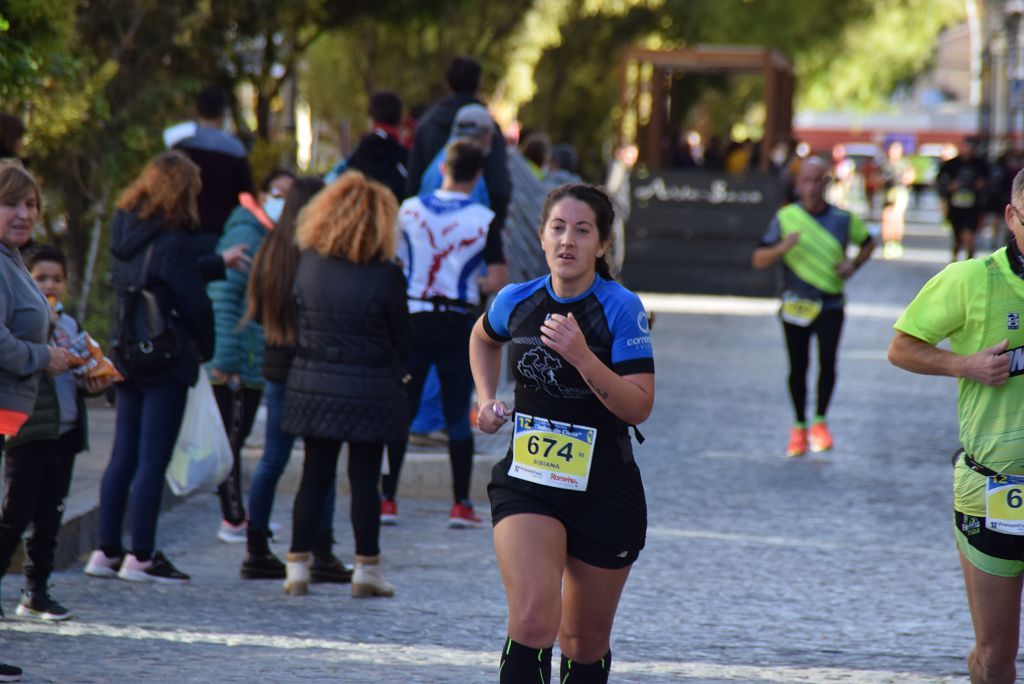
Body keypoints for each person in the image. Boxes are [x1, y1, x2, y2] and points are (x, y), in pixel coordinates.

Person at [470, 183, 654, 683]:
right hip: (529, 482)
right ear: (542, 236)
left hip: (605, 490)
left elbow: (639, 407)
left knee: (583, 642)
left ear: (602, 244)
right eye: (558, 228)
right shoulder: (518, 299)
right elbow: (482, 336)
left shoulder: (620, 307)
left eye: (582, 230)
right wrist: (485, 398)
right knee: (533, 619)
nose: (567, 240)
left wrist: (581, 355)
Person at [887, 168, 1024, 684]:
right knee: (996, 656)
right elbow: (901, 347)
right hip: (993, 486)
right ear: (1011, 218)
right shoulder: (970, 280)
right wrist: (964, 365)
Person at [85, 150, 214, 583]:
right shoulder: (175, 239)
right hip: (164, 357)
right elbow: (191, 299)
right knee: (151, 460)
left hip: (127, 352)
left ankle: (105, 552)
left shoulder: (125, 230)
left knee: (122, 455)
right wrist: (206, 346)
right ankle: (141, 555)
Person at [280, 171, 409, 598]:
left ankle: (297, 566)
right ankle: (365, 569)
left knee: (313, 474)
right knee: (365, 478)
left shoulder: (308, 265)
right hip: (370, 388)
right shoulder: (387, 275)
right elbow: (399, 336)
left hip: (312, 383)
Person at [383, 140, 502, 528]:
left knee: (402, 410)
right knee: (455, 411)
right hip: (457, 322)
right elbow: (496, 279)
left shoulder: (408, 210)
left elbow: (393, 262)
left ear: (442, 169)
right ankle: (461, 505)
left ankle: (387, 500)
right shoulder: (485, 218)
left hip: (412, 317)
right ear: (478, 175)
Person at [241, 175, 351, 583]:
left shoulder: (269, 250)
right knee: (319, 463)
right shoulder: (313, 255)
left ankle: (255, 546)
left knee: (273, 458)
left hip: (275, 363)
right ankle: (320, 551)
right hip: (310, 368)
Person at [0, 246, 111, 622]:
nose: (50, 285)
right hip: (30, 430)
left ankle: (37, 589)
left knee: (51, 515)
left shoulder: (71, 325)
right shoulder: (27, 321)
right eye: (41, 278)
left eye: (57, 279)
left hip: (65, 431)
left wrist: (91, 382)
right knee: (15, 513)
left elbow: (77, 374)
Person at [0, 160, 71, 683]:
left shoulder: (14, 259)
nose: (23, 213)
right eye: (10, 203)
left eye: (30, 204)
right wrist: (39, 357)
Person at [751, 157, 875, 457]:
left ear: (827, 183)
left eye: (816, 180)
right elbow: (758, 259)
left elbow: (869, 242)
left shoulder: (844, 219)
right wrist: (782, 247)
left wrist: (853, 266)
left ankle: (820, 421)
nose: (810, 187)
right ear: (797, 185)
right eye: (805, 180)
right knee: (798, 366)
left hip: (831, 303)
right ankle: (798, 426)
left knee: (828, 363)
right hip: (796, 304)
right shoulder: (785, 218)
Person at [208, 168, 295, 545]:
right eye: (278, 192)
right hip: (237, 362)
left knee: (236, 437)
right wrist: (226, 358)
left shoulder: (264, 234)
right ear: (262, 194)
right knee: (232, 439)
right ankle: (232, 518)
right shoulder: (247, 234)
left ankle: (238, 515)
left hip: (248, 356)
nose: (283, 201)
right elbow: (224, 298)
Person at [406, 55, 510, 234]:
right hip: (473, 231)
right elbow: (499, 187)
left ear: (448, 83)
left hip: (428, 227)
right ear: (479, 83)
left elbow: (413, 180)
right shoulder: (489, 128)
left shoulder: (428, 123)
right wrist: (494, 233)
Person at [173, 86, 255, 256]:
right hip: (218, 229)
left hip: (181, 226)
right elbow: (246, 194)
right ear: (223, 113)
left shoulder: (182, 144)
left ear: (195, 110)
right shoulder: (235, 149)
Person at [325, 90, 409, 203]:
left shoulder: (361, 149)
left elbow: (334, 179)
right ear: (400, 119)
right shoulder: (404, 154)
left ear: (371, 118)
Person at [938, 140, 989, 262]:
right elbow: (940, 181)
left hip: (972, 207)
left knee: (969, 235)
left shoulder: (980, 164)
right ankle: (955, 258)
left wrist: (981, 184)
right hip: (956, 207)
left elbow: (989, 180)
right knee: (958, 237)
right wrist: (950, 186)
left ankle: (970, 259)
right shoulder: (952, 164)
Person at [879, 141, 915, 259]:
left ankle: (896, 242)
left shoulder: (904, 164)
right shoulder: (884, 164)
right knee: (887, 218)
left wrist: (904, 179)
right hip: (887, 192)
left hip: (899, 192)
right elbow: (876, 177)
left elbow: (910, 176)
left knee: (897, 217)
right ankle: (888, 243)